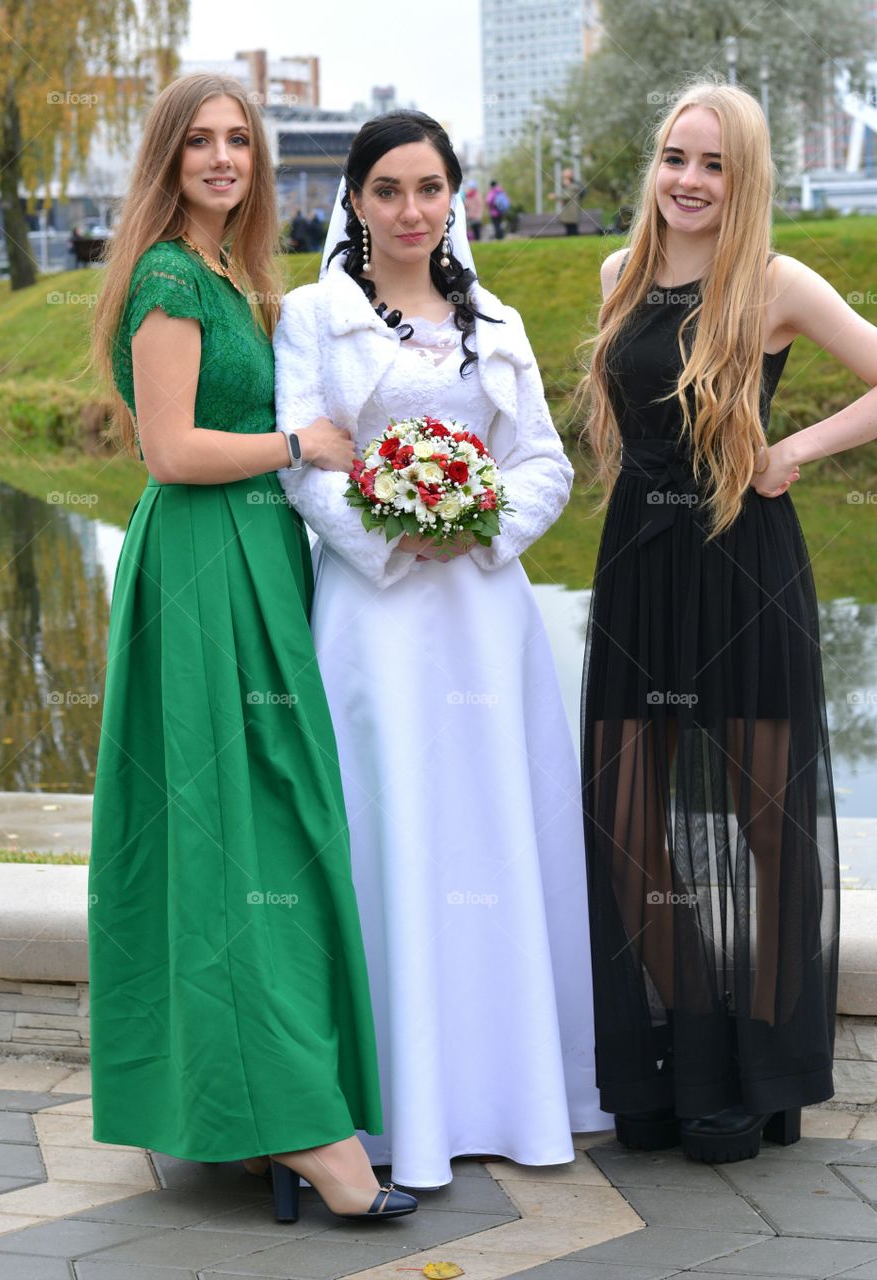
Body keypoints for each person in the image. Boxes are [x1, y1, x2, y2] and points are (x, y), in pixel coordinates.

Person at [88, 72, 416, 1223]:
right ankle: (308, 1134)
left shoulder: (236, 270)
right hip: (201, 568)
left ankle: (243, 1116)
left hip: (255, 563)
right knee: (236, 837)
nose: (223, 157)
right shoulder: (172, 276)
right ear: (169, 160)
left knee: (260, 823)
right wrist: (298, 443)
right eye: (201, 142)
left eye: (240, 140)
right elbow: (169, 448)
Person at [273, 109, 608, 1189]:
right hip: (373, 621)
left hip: (481, 620)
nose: (412, 210)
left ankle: (501, 1090)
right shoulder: (311, 315)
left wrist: (470, 518)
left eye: (430, 189)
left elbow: (545, 465)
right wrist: (392, 529)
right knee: (387, 835)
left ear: (454, 196)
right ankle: (386, 1107)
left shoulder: (496, 320)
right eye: (388, 190)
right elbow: (304, 464)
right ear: (356, 202)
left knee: (486, 841)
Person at [578, 80, 877, 1164]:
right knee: (627, 823)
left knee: (766, 827)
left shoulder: (774, 281)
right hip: (637, 572)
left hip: (741, 570)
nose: (689, 181)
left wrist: (794, 451)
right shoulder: (619, 273)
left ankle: (757, 1071)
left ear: (744, 177)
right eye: (674, 158)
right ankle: (683, 1052)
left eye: (712, 164)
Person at [553, 168, 582, 235]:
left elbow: (566, 196)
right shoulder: (567, 187)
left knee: (573, 228)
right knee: (569, 228)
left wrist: (555, 196)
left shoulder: (573, 186)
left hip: (572, 211)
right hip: (568, 211)